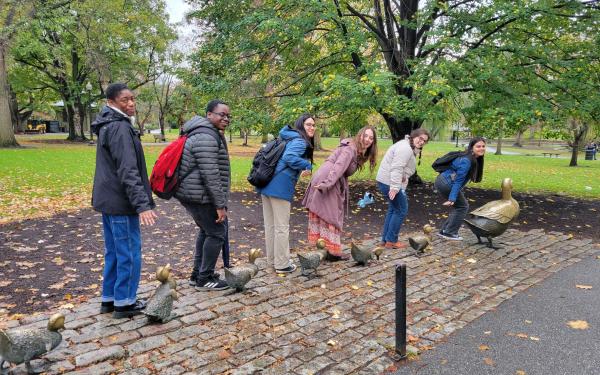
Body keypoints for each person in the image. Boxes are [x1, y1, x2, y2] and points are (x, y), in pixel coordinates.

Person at [92, 83, 157, 319]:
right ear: (111, 102)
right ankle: (124, 303)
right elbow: (128, 170)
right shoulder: (119, 127)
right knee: (128, 252)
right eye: (124, 100)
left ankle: (109, 299)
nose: (131, 104)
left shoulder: (109, 124)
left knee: (115, 253)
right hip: (121, 202)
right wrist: (142, 205)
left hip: (110, 200)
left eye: (132, 99)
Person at [175, 99, 231, 291]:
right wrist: (220, 204)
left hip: (194, 193)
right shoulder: (206, 137)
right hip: (200, 195)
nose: (226, 118)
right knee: (216, 233)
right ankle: (204, 278)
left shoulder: (204, 132)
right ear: (209, 114)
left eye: (228, 115)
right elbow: (210, 174)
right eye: (221, 114)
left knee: (206, 231)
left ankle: (197, 274)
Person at [302, 126, 377, 260]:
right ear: (360, 135)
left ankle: (326, 251)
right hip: (330, 178)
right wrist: (326, 184)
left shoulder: (356, 149)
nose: (367, 140)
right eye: (365, 136)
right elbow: (338, 167)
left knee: (329, 214)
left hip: (330, 178)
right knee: (331, 215)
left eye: (371, 138)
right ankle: (332, 252)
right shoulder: (350, 149)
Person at [257, 114, 315, 273]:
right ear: (301, 125)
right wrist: (307, 165)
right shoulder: (300, 141)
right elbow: (289, 157)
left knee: (271, 226)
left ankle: (273, 261)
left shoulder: (287, 137)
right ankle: (282, 264)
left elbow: (285, 159)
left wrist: (299, 169)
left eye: (313, 125)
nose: (312, 128)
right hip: (279, 188)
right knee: (281, 227)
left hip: (267, 185)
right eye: (308, 124)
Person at [376, 128, 430, 249]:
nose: (421, 142)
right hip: (390, 183)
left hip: (386, 181)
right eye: (420, 138)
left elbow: (403, 168)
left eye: (424, 141)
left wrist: (401, 182)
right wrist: (395, 187)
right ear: (413, 136)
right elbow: (397, 168)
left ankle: (385, 240)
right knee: (401, 210)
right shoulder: (405, 148)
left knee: (393, 209)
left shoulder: (408, 146)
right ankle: (391, 241)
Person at [434, 136, 486, 241]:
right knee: (463, 206)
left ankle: (444, 231)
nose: (481, 148)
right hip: (446, 183)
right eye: (478, 146)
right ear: (472, 148)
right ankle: (449, 232)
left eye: (483, 146)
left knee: (459, 206)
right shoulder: (467, 161)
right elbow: (458, 180)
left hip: (443, 181)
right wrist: (452, 198)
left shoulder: (472, 158)